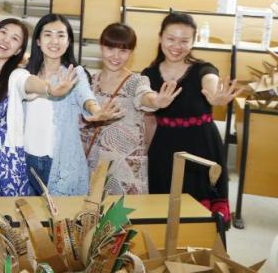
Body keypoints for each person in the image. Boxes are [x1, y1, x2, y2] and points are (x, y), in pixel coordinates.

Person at [0, 19, 74, 197]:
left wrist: (49, 89)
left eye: (14, 38)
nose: (6, 40)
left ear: (18, 50)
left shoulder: (15, 76)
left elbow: (28, 82)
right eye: (3, 32)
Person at [142, 12, 240, 219]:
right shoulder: (148, 74)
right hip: (164, 148)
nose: (176, 46)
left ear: (193, 41)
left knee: (200, 213)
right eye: (171, 39)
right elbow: (145, 104)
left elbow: (211, 82)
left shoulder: (203, 69)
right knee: (163, 211)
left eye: (184, 41)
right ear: (160, 38)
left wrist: (215, 96)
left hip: (201, 147)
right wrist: (155, 102)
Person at [23, 14, 121, 196]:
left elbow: (86, 96)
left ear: (68, 42)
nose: (55, 41)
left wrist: (96, 110)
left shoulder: (75, 73)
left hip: (59, 162)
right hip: (25, 159)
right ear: (38, 41)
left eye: (61, 35)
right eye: (48, 34)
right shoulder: (25, 74)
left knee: (61, 213)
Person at [82, 23, 183, 195]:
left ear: (131, 52)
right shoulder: (90, 82)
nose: (116, 56)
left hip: (125, 168)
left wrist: (157, 101)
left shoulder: (136, 81)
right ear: (101, 47)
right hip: (93, 164)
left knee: (124, 212)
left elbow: (145, 95)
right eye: (110, 48)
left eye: (123, 51)